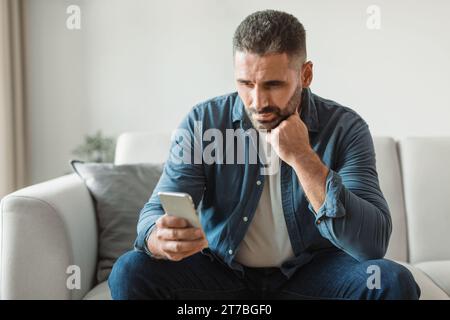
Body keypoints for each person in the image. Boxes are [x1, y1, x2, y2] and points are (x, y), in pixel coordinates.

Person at [108, 10, 420, 300]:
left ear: (306, 75)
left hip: (313, 273)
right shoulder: (203, 122)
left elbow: (371, 244)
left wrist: (303, 157)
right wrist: (156, 236)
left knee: (392, 281)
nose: (257, 101)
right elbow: (155, 210)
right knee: (130, 270)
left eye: (273, 84)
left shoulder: (345, 127)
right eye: (245, 83)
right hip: (222, 272)